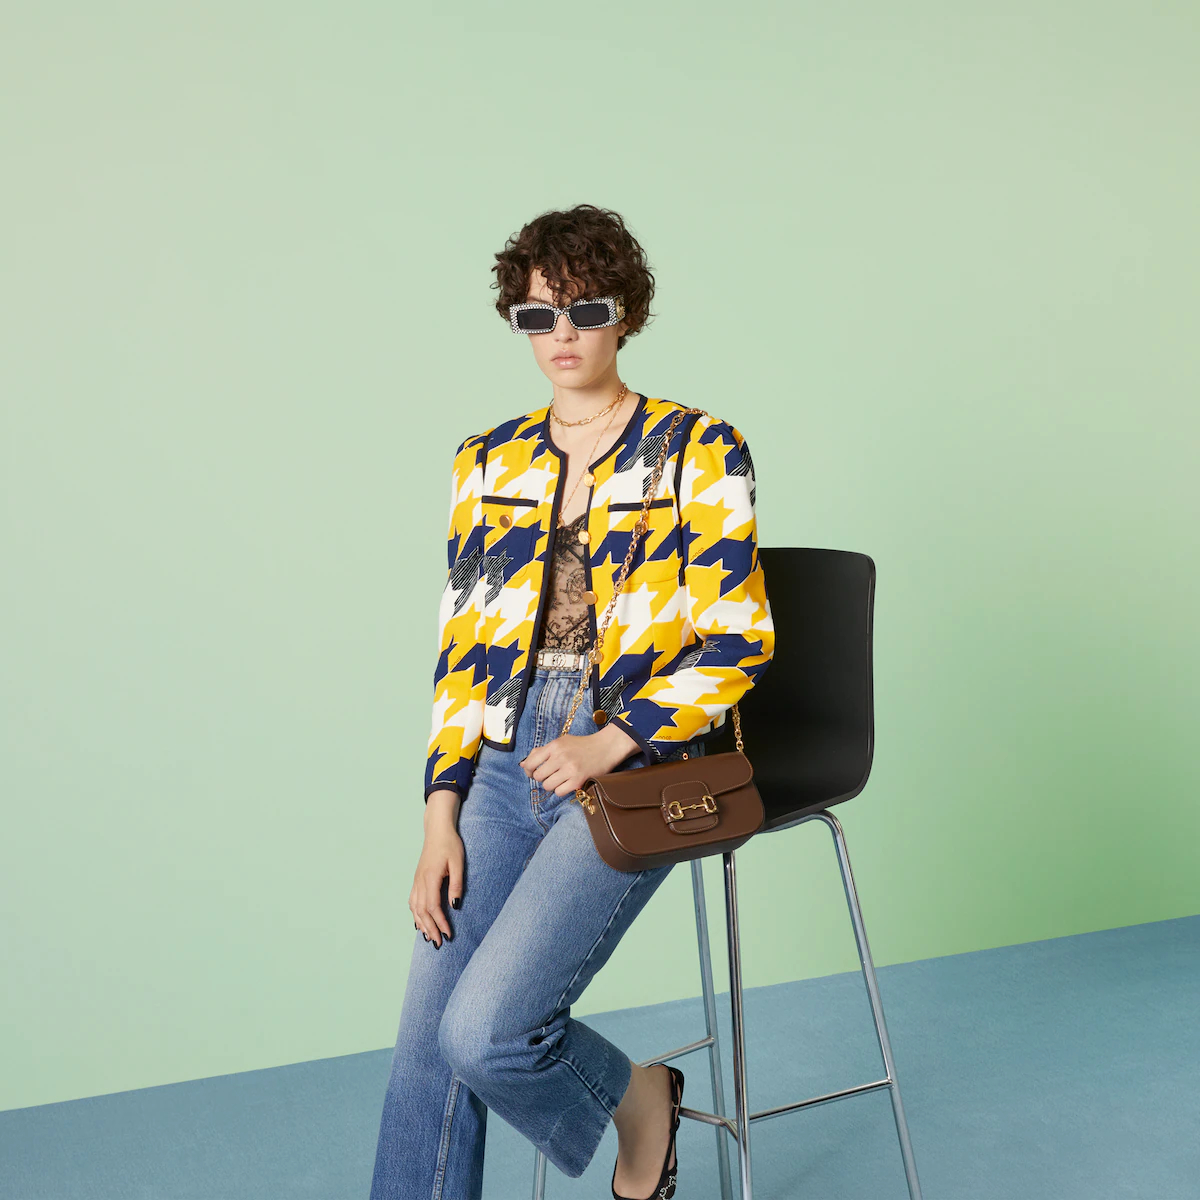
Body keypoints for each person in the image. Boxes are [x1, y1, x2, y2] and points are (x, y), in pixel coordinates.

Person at [369, 203, 774, 1200]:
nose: (562, 335)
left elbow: (738, 640)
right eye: (537, 315)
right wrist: (440, 810)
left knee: (483, 1033)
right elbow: (464, 650)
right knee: (426, 1040)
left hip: (634, 762)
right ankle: (637, 1099)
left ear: (624, 313)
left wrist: (613, 738)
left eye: (585, 310)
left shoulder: (699, 447)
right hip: (503, 756)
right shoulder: (487, 460)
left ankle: (640, 1104)